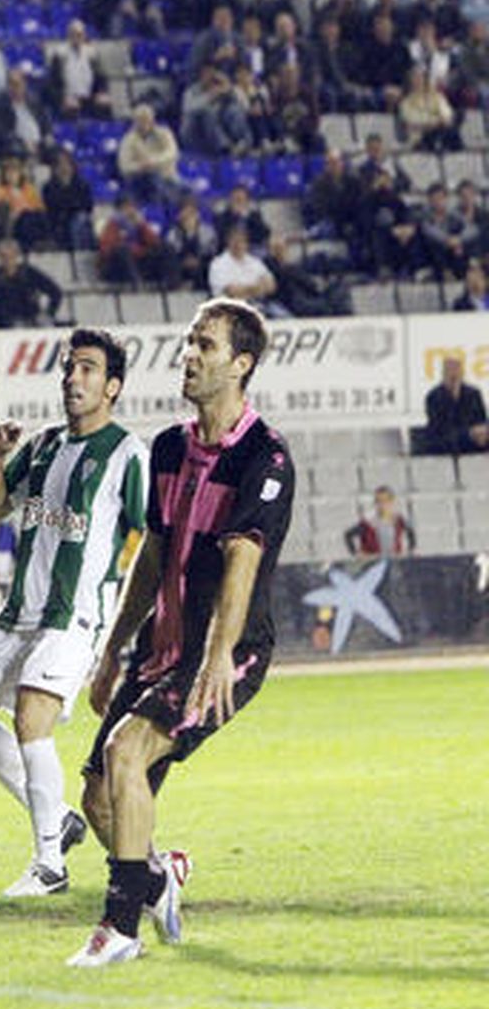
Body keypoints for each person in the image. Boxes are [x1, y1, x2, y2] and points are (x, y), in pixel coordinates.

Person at [69, 298, 295, 966]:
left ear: (241, 364)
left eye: (206, 345)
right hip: (158, 649)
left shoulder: (265, 456)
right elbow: (153, 558)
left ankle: (120, 930)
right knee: (98, 798)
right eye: (189, 342)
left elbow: (243, 558)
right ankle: (160, 879)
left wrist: (218, 657)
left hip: (225, 650)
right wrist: (113, 649)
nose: (189, 355)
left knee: (129, 755)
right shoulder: (167, 448)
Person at [0, 329, 148, 897]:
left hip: (73, 616)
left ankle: (49, 864)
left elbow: (151, 534)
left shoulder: (129, 455)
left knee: (32, 718)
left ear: (112, 386)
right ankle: (57, 816)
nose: (72, 378)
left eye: (86, 369)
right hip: (18, 612)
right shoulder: (41, 446)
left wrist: (123, 607)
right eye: (68, 368)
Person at [422, 355, 489, 455]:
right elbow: (439, 427)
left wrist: (482, 432)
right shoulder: (434, 397)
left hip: (474, 443)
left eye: (456, 370)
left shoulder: (473, 393)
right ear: (443, 373)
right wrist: (468, 433)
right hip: (446, 443)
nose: (453, 374)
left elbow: (481, 419)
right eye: (450, 370)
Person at [344, 485, 414, 558]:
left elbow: (411, 532)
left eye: (385, 501)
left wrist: (410, 551)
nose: (382, 505)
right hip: (374, 562)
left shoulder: (398, 520)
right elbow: (348, 535)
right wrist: (356, 553)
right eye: (378, 501)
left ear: (391, 501)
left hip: (393, 560)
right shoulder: (368, 522)